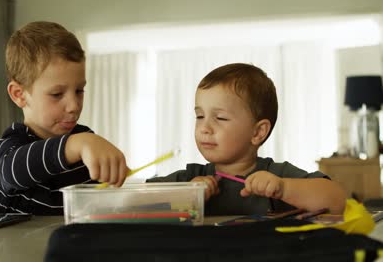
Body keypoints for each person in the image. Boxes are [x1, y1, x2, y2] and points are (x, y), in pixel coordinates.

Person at [148, 63, 346, 215]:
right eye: (200, 116)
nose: (205, 128)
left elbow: (338, 200)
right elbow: (130, 202)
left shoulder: (277, 175)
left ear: (258, 132)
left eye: (221, 118)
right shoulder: (189, 178)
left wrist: (283, 188)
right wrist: (185, 195)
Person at [0, 21, 129, 215]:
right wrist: (76, 145)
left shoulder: (83, 137)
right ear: (19, 94)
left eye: (79, 90)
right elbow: (11, 172)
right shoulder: (15, 142)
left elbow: (99, 201)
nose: (74, 106)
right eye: (57, 94)